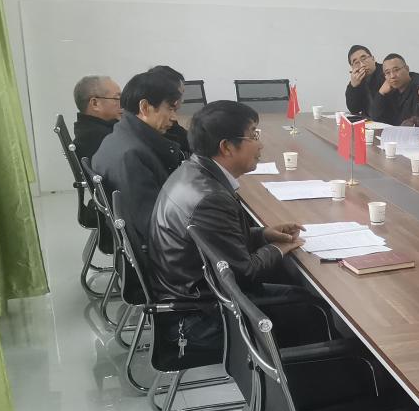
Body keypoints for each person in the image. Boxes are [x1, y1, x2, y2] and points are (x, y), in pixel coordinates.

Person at [148, 100, 311, 354]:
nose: (261, 144)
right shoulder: (211, 198)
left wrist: (264, 235)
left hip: (190, 294)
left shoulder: (191, 171)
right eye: (253, 135)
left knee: (291, 282)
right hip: (200, 317)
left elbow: (218, 243)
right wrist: (279, 248)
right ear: (226, 147)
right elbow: (245, 272)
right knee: (311, 305)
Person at [91, 68, 184, 249]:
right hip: (164, 253)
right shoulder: (132, 157)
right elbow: (155, 227)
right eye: (170, 108)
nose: (174, 117)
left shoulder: (116, 138)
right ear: (144, 107)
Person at [71, 74, 122, 164]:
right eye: (117, 98)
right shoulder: (100, 140)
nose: (122, 104)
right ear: (95, 104)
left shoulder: (88, 130)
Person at [149, 64, 192, 156]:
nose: (182, 100)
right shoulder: (158, 124)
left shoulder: (169, 119)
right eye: (180, 94)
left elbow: (185, 137)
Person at [373, 53, 419, 125]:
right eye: (387, 72)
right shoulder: (388, 88)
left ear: (407, 69)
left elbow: (418, 121)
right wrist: (381, 93)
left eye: (396, 70)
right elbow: (375, 118)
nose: (392, 76)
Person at [344, 45, 385, 119]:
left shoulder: (386, 72)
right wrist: (353, 87)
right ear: (352, 67)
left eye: (364, 59)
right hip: (368, 122)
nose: (362, 65)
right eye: (356, 62)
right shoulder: (357, 80)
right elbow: (354, 109)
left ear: (373, 58)